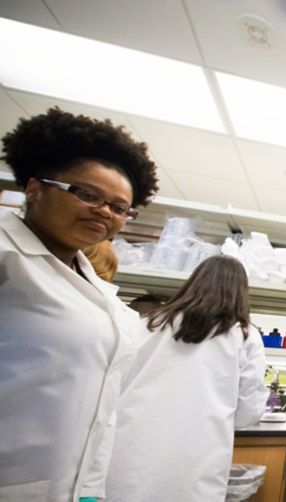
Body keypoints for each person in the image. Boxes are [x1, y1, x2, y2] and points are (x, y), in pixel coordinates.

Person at [0, 107, 158, 502]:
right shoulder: (6, 258)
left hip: (74, 487)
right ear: (34, 188)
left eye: (120, 207)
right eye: (87, 194)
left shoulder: (97, 288)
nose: (105, 211)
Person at [104, 255, 268, 501]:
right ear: (241, 293)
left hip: (129, 449)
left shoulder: (148, 323)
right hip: (195, 459)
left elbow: (115, 380)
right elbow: (248, 412)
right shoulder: (244, 335)